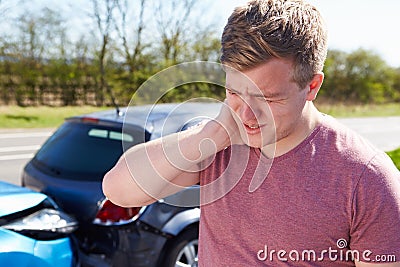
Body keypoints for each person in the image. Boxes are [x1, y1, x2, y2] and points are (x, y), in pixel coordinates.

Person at [102, 0, 400, 266]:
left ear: (312, 86)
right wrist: (209, 136)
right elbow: (119, 191)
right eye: (234, 92)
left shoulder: (367, 178)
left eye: (267, 99)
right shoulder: (219, 144)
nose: (246, 115)